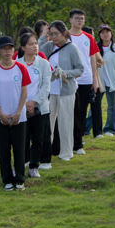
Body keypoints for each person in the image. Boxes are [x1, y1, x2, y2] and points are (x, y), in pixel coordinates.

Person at [41, 21, 85, 161]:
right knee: (47, 123)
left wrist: (65, 73)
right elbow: (37, 55)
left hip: (66, 91)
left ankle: (66, 152)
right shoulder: (48, 46)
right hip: (49, 91)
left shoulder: (72, 48)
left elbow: (80, 69)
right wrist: (43, 37)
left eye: (56, 34)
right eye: (51, 34)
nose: (53, 37)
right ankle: (45, 152)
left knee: (65, 122)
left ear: (64, 33)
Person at [0, 36, 31, 190]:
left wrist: (18, 112)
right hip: (1, 116)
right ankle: (7, 180)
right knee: (4, 150)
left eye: (10, 48)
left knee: (19, 149)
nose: (7, 52)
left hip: (19, 116)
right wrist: (0, 112)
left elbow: (24, 92)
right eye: (4, 49)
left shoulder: (20, 68)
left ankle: (20, 179)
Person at [67, 10, 102, 156]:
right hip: (69, 79)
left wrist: (94, 79)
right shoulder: (66, 37)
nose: (79, 21)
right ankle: (68, 142)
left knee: (82, 112)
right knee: (70, 112)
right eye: (77, 18)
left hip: (85, 79)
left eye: (82, 19)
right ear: (70, 20)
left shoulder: (88, 37)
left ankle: (78, 143)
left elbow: (92, 58)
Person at [20, 32, 53, 176]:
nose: (35, 46)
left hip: (40, 107)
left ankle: (34, 167)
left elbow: (46, 86)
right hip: (21, 107)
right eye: (31, 44)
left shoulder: (44, 63)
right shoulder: (18, 64)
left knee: (38, 138)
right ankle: (21, 164)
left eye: (35, 43)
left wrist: (34, 102)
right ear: (23, 47)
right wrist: (25, 104)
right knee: (22, 138)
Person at [93, 24, 115, 138]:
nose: (105, 34)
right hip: (99, 82)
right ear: (99, 35)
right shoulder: (96, 48)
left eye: (107, 32)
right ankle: (87, 128)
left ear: (111, 34)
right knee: (95, 106)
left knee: (111, 106)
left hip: (112, 82)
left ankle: (110, 129)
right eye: (102, 32)